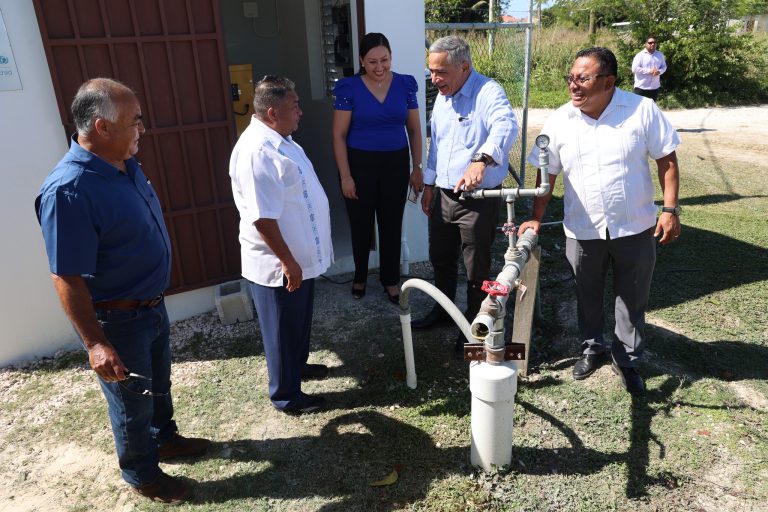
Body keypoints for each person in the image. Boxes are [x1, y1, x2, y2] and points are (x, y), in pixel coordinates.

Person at [35, 78, 210, 504]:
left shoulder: (125, 165)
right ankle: (143, 475)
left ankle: (165, 439)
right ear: (102, 127)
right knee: (131, 404)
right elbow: (66, 276)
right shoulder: (70, 191)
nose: (142, 129)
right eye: (135, 120)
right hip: (118, 318)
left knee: (158, 385)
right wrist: (96, 343)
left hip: (151, 306)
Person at [519, 47, 681, 395]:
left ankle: (627, 360)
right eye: (570, 78)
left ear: (608, 82)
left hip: (634, 225)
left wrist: (670, 210)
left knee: (632, 297)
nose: (573, 85)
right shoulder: (560, 120)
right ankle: (592, 348)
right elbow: (546, 174)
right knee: (587, 294)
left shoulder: (642, 110)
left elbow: (667, 160)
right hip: (583, 228)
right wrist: (535, 218)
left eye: (583, 78)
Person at [229, 75, 334, 415]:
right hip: (279, 265)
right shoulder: (257, 153)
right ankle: (286, 395)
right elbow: (262, 218)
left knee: (297, 323)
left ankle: (297, 367)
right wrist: (288, 261)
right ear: (272, 112)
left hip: (297, 260)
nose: (301, 111)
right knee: (281, 330)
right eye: (295, 106)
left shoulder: (282, 140)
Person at [413, 35, 518, 353]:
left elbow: (505, 125)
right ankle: (444, 311)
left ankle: (474, 324)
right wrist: (429, 185)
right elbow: (437, 145)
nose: (434, 79)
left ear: (464, 67)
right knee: (441, 258)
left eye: (441, 72)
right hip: (443, 195)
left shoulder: (488, 91)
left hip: (477, 200)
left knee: (476, 267)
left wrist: (481, 160)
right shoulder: (442, 97)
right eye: (431, 71)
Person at [332, 32, 423, 304]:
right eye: (372, 62)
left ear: (391, 57)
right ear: (362, 60)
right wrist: (346, 176)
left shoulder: (405, 85)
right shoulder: (349, 88)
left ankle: (390, 280)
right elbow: (338, 135)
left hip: (396, 163)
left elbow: (415, 130)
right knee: (361, 224)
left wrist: (417, 167)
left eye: (385, 60)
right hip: (359, 164)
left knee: (391, 223)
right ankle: (360, 276)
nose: (379, 67)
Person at [631, 36, 667, 101]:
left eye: (654, 42)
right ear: (646, 44)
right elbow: (634, 69)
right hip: (641, 88)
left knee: (651, 107)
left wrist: (659, 71)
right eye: (650, 43)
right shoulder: (640, 55)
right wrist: (649, 71)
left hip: (654, 87)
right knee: (639, 107)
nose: (652, 44)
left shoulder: (660, 55)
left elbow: (664, 67)